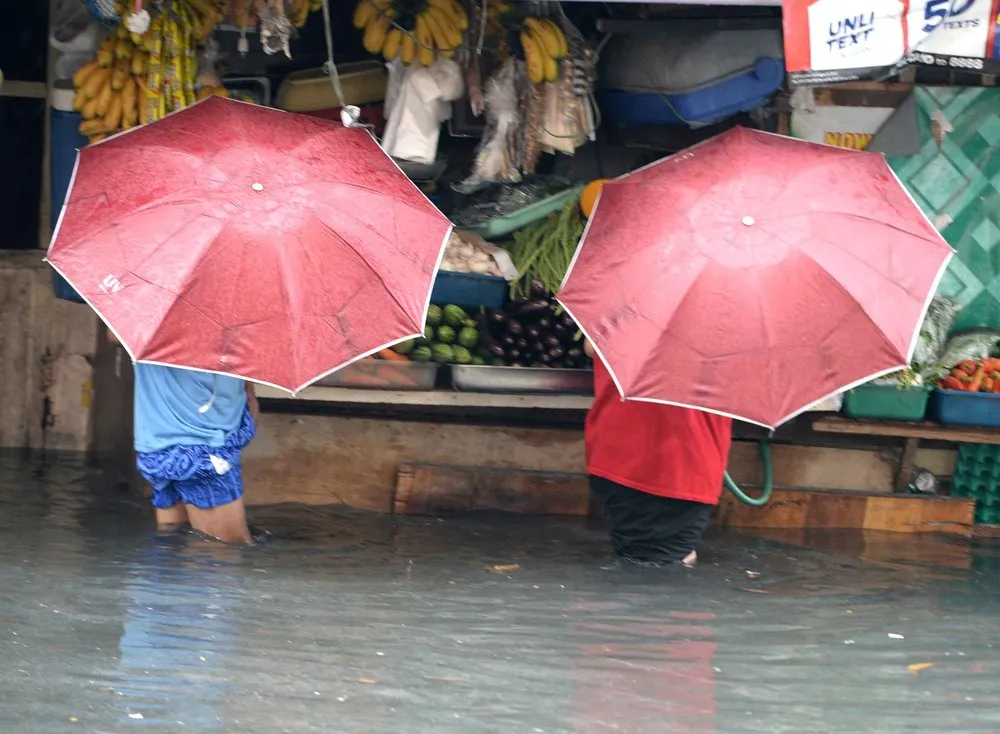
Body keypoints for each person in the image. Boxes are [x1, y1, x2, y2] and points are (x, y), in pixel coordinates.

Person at [583, 340, 732, 566]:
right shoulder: (736, 322)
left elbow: (592, 346)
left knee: (645, 559)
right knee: (666, 565)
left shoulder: (629, 309)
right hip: (680, 465)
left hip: (621, 452)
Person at [108, 330, 258, 544]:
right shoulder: (233, 311)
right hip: (204, 446)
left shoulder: (149, 309)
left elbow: (115, 334)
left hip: (158, 444)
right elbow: (250, 392)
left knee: (173, 549)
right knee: (227, 552)